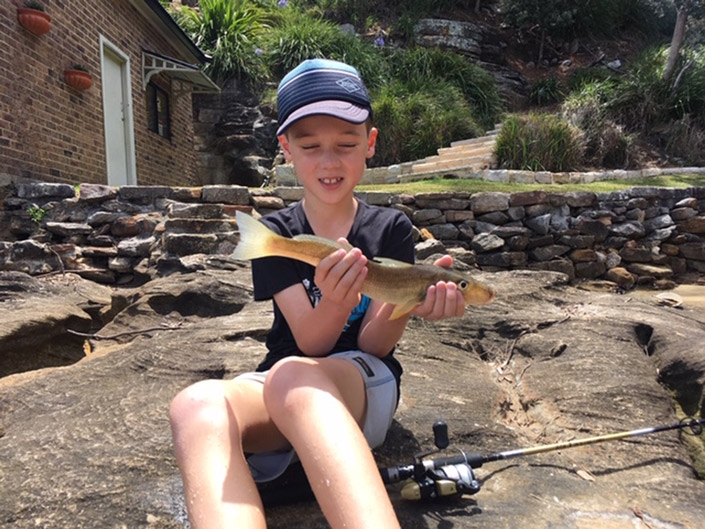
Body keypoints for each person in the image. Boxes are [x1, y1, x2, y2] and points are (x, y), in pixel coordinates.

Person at [169, 58, 466, 529]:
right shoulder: (276, 234)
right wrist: (334, 300)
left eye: (346, 144)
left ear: (369, 144)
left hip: (362, 382)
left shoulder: (390, 228)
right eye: (310, 146)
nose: (329, 161)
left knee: (294, 378)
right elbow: (309, 342)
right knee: (196, 404)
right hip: (285, 383)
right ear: (286, 149)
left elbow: (372, 344)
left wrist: (410, 301)